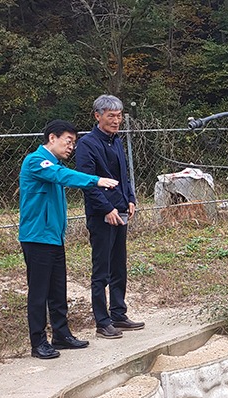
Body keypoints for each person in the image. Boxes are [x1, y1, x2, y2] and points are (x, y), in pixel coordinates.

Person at [19, 120, 120, 358]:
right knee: (39, 292)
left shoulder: (52, 164)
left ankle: (61, 334)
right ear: (52, 138)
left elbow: (60, 174)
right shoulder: (36, 161)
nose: (71, 148)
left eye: (74, 143)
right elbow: (61, 175)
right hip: (37, 237)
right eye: (68, 141)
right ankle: (38, 342)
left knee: (57, 289)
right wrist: (95, 180)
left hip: (53, 236)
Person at [75, 95, 144, 339]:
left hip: (122, 211)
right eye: (111, 116)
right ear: (97, 116)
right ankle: (102, 321)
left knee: (119, 266)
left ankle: (118, 313)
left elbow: (123, 175)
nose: (116, 121)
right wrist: (107, 209)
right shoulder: (87, 144)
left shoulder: (117, 141)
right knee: (101, 269)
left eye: (119, 115)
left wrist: (131, 198)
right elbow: (88, 183)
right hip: (102, 215)